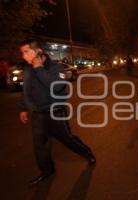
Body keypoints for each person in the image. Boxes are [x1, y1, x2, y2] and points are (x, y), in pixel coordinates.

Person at [19, 39, 96, 187]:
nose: (23, 56)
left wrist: (39, 68)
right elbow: (26, 90)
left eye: (26, 52)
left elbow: (56, 86)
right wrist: (23, 108)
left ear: (38, 52)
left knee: (68, 140)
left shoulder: (57, 68)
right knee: (40, 146)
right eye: (22, 53)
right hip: (38, 115)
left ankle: (87, 153)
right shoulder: (28, 69)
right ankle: (48, 171)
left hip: (56, 113)